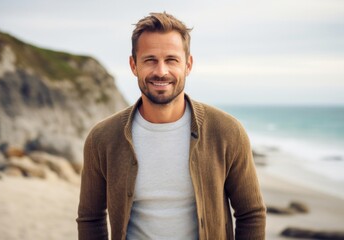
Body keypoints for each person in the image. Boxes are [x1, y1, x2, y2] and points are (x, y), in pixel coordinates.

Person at [77, 12, 266, 240]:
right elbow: (90, 218)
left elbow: (251, 214)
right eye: (150, 60)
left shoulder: (226, 132)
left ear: (188, 65)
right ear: (133, 65)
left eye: (171, 60)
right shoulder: (103, 138)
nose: (161, 71)